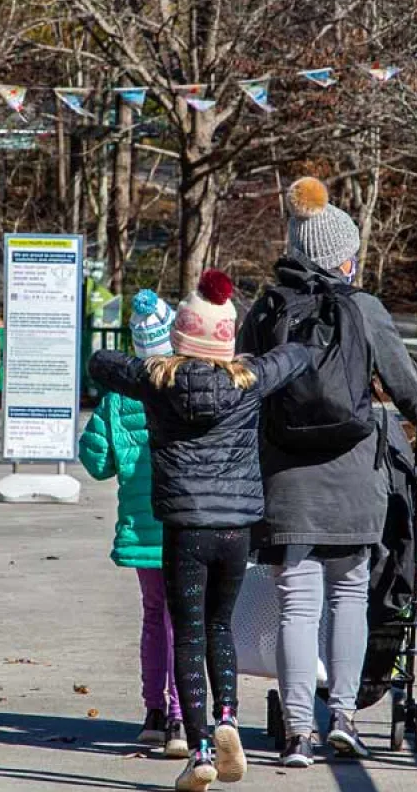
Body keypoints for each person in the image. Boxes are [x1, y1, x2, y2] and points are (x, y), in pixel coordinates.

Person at [238, 176, 417, 767]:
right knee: (350, 595)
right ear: (343, 256)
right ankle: (343, 717)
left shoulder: (266, 309)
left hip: (285, 482)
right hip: (354, 478)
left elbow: (244, 389)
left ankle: (297, 731)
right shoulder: (365, 309)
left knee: (297, 604)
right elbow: (410, 390)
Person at [88, 270, 312, 792]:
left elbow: (102, 364)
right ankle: (229, 716)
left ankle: (202, 748)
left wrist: (155, 361)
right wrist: (252, 356)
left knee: (186, 631)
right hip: (236, 531)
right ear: (225, 335)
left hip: (184, 530)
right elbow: (296, 357)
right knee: (219, 628)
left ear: (182, 334)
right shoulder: (250, 378)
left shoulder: (157, 381)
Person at [78, 290, 186, 758]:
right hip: (184, 523)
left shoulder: (119, 398)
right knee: (185, 622)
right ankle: (183, 716)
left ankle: (153, 714)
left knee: (152, 615)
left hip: (142, 528)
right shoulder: (187, 385)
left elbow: (96, 460)